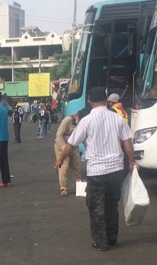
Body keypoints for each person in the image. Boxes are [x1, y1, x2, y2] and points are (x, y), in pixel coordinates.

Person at [55, 87, 136, 251]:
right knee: (112, 204)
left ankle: (102, 241)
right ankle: (112, 238)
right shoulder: (117, 119)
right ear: (106, 100)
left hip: (97, 171)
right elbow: (127, 141)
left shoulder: (86, 121)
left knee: (96, 206)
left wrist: (60, 159)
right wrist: (131, 161)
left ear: (90, 101)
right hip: (115, 169)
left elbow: (71, 144)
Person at [54, 108, 89, 196]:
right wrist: (64, 148)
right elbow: (58, 135)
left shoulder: (82, 123)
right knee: (64, 166)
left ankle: (79, 185)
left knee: (77, 165)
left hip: (73, 146)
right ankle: (63, 188)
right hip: (62, 144)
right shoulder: (68, 120)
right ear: (77, 116)